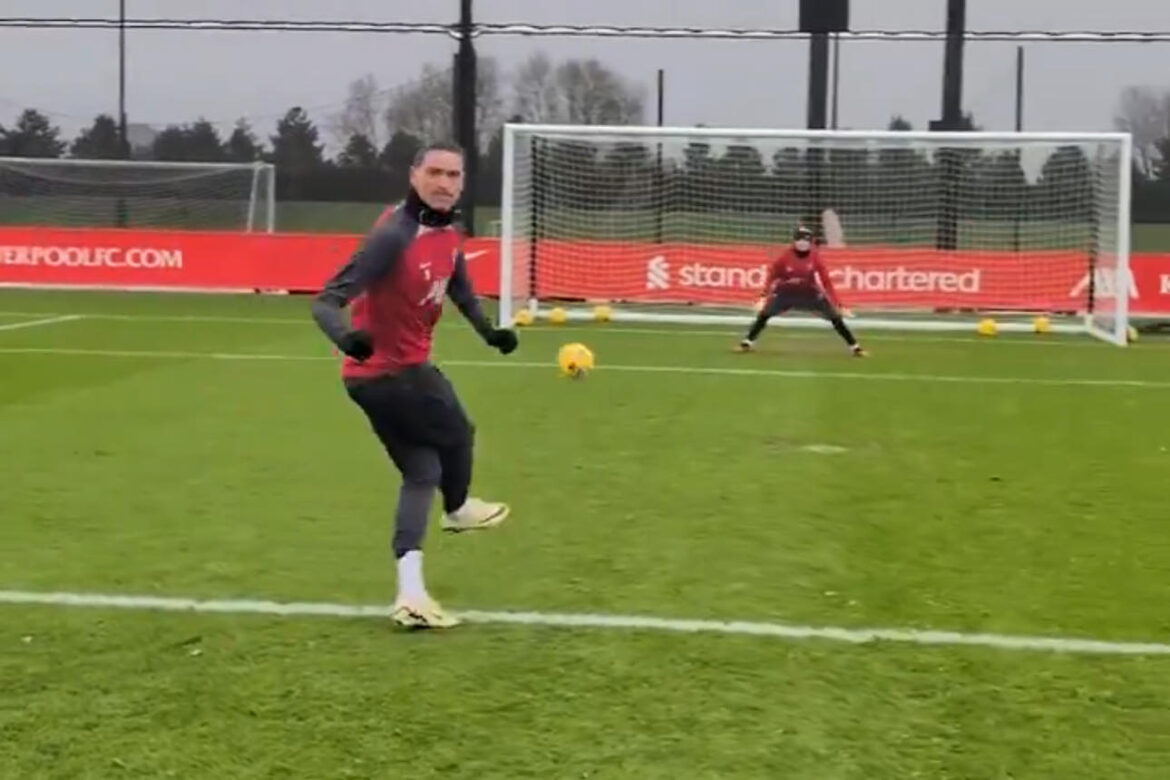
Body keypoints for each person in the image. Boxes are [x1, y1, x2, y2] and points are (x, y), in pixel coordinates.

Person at [311, 142, 519, 630]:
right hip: (392, 374)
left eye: (454, 175)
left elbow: (460, 289)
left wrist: (489, 332)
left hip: (376, 380)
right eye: (435, 173)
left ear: (463, 183)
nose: (444, 183)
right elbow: (325, 301)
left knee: (423, 471)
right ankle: (459, 508)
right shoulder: (393, 235)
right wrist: (347, 338)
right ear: (414, 176)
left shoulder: (448, 233)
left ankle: (411, 593)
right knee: (460, 432)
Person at [737, 226, 866, 357]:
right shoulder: (784, 257)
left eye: (805, 240)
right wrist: (763, 296)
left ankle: (855, 347)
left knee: (835, 318)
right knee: (764, 315)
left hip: (809, 294)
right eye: (799, 239)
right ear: (794, 240)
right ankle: (747, 343)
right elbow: (772, 276)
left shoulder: (815, 257)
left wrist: (838, 304)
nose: (802, 242)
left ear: (811, 242)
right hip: (785, 294)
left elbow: (826, 282)